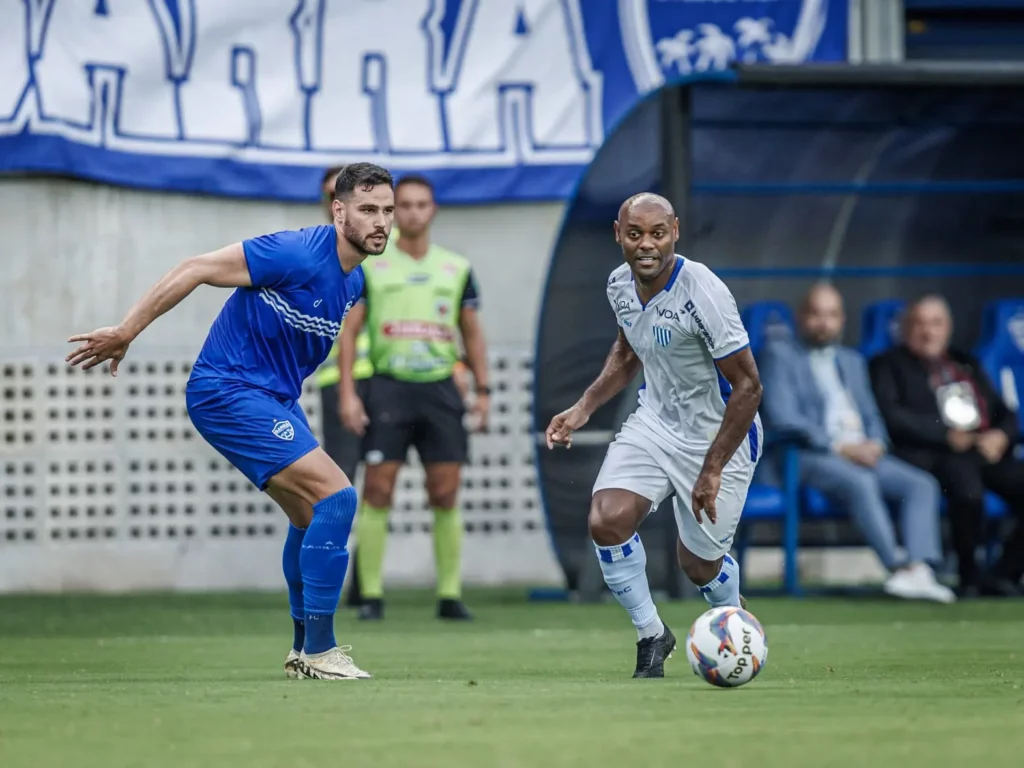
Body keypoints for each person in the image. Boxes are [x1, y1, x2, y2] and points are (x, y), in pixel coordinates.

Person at [65, 163, 396, 679]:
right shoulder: (295, 251)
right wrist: (128, 329)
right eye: (368, 210)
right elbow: (194, 267)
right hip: (227, 391)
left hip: (272, 400)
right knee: (339, 497)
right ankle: (321, 650)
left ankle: (301, 651)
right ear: (339, 210)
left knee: (309, 517)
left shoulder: (354, 281)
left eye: (387, 211)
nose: (381, 222)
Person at [545, 193, 762, 678]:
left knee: (698, 567)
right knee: (607, 519)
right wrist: (583, 408)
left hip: (718, 437)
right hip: (655, 424)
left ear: (675, 232)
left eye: (657, 234)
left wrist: (711, 469)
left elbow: (749, 387)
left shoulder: (702, 290)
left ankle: (736, 625)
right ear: (618, 234)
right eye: (635, 234)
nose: (647, 245)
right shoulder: (619, 284)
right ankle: (651, 635)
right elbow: (629, 350)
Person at [339, 175, 489, 621]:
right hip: (388, 386)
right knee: (378, 488)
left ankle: (449, 595)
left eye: (421, 204)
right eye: (402, 205)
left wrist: (483, 390)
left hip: (441, 389)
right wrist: (348, 392)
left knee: (445, 491)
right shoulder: (371, 265)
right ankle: (371, 596)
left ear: (433, 210)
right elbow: (349, 331)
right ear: (392, 211)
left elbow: (473, 333)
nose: (411, 213)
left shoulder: (456, 267)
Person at [758, 284, 954, 602]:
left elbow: (871, 414)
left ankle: (920, 569)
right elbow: (784, 417)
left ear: (842, 320)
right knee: (860, 481)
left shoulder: (851, 360)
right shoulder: (778, 354)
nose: (824, 322)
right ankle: (899, 568)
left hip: (861, 452)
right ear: (800, 317)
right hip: (807, 454)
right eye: (816, 314)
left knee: (921, 484)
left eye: (832, 315)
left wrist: (876, 442)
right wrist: (841, 447)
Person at [870, 295, 1024, 597]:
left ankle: (1004, 572)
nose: (928, 332)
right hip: (933, 454)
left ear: (948, 328)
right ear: (905, 328)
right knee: (967, 490)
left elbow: (1003, 413)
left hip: (982, 451)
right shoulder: (887, 365)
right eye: (920, 324)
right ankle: (969, 576)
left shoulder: (965, 362)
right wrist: (945, 436)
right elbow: (893, 417)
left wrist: (1001, 436)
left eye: (936, 323)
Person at [312, 166, 376, 608]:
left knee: (378, 488)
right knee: (338, 489)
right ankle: (329, 586)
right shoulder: (315, 251)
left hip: (381, 380)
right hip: (340, 382)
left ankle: (365, 586)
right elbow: (346, 334)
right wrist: (348, 390)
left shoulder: (367, 251)